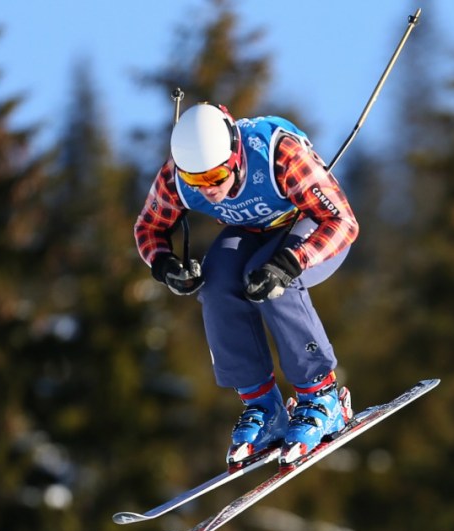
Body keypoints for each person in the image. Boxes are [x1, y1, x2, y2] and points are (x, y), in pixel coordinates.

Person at [134, 102, 359, 468]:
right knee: (217, 282)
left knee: (272, 280)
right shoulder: (177, 177)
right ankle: (263, 406)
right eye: (197, 180)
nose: (208, 189)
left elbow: (342, 221)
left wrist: (291, 262)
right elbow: (149, 227)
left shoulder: (279, 155)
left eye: (216, 176)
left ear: (235, 154)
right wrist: (164, 263)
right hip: (254, 232)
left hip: (309, 227)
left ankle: (322, 396)